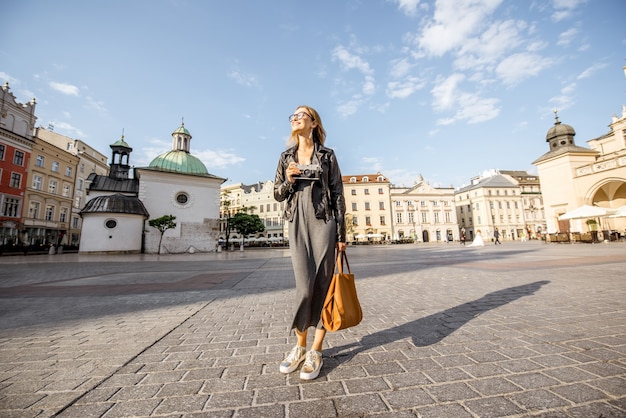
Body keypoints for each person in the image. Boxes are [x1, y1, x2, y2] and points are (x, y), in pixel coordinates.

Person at [274, 105, 346, 380]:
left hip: (323, 221)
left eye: (301, 114)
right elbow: (278, 193)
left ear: (314, 122)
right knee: (304, 287)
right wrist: (289, 180)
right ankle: (299, 346)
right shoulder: (285, 157)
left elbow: (337, 194)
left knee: (323, 285)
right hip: (296, 221)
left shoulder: (327, 156)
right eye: (292, 114)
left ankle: (316, 349)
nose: (295, 117)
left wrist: (341, 237)